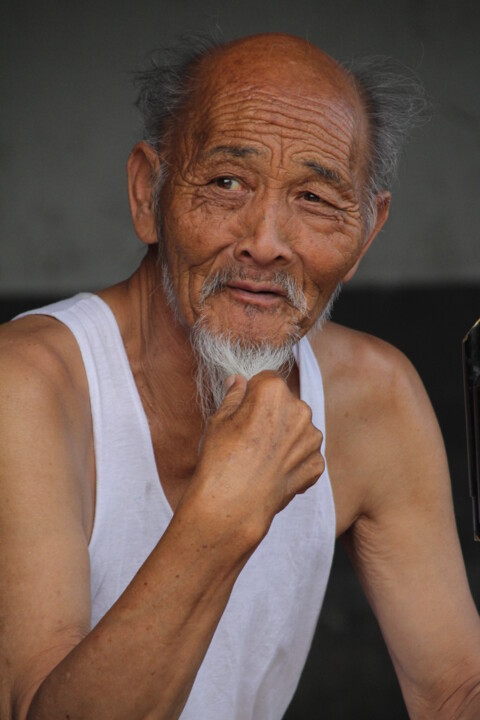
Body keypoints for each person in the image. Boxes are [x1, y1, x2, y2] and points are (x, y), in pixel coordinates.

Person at [1, 31, 479, 720]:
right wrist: (222, 518)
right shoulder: (27, 386)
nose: (265, 240)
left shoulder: (375, 398)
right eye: (227, 182)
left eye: (315, 197)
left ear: (367, 234)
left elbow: (455, 691)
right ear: (148, 194)